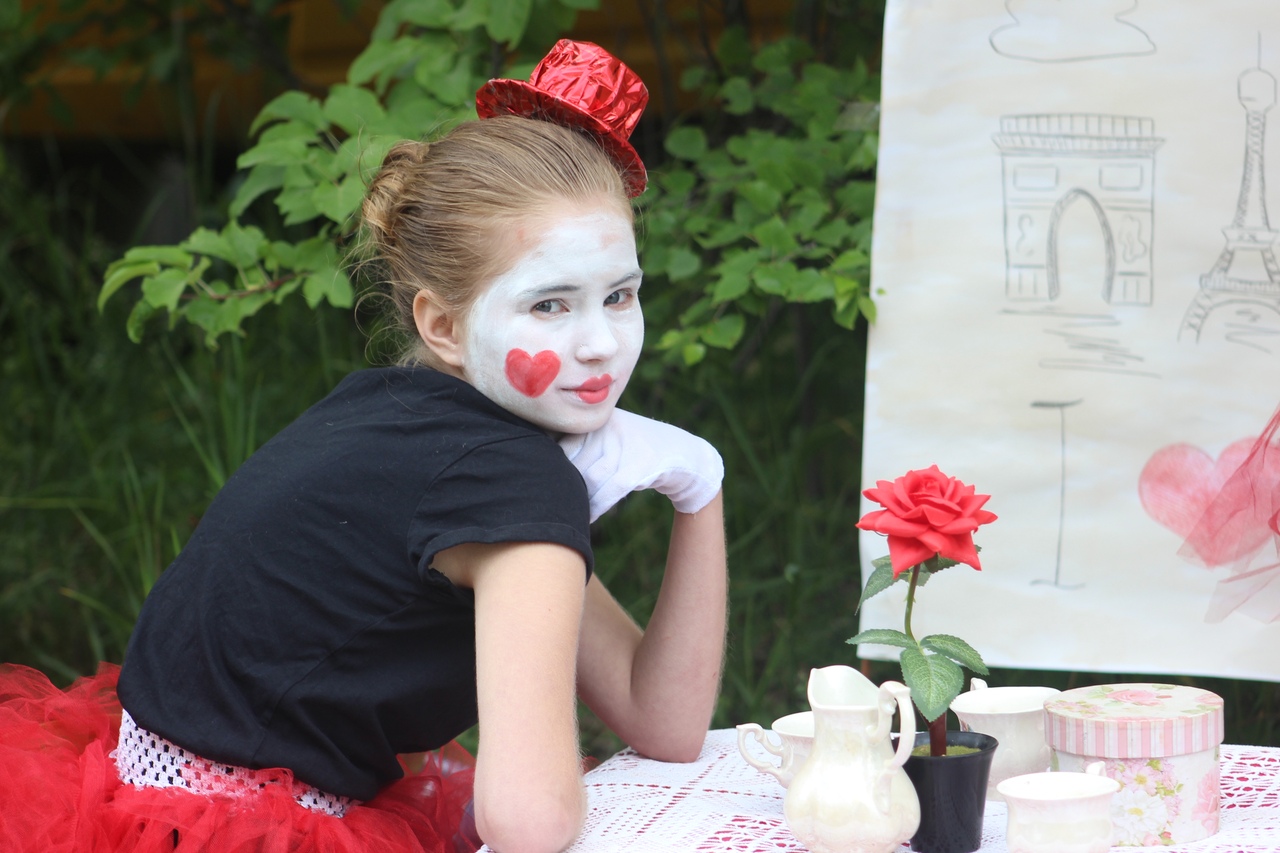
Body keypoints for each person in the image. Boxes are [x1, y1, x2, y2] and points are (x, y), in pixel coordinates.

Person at [0, 40, 727, 853]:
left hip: (148, 796)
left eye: (620, 295)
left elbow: (658, 719)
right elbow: (531, 824)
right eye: (551, 306)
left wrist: (698, 487)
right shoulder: (509, 485)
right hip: (238, 833)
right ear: (443, 326)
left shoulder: (404, 416)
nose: (600, 343)